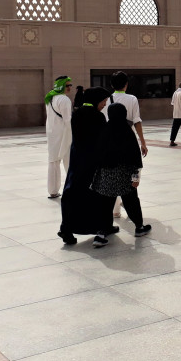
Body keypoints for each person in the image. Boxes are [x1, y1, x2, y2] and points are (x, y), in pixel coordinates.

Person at [58, 86, 111, 246]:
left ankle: (66, 228)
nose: (104, 105)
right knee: (94, 195)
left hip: (77, 158)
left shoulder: (77, 113)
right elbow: (101, 141)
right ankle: (99, 227)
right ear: (96, 100)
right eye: (103, 101)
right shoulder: (98, 117)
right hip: (92, 161)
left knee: (72, 192)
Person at [91, 103, 152, 241]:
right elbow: (135, 157)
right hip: (125, 175)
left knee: (105, 205)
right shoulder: (126, 131)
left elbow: (98, 153)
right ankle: (139, 227)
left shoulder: (105, 129)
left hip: (107, 175)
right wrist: (136, 178)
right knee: (132, 202)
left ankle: (101, 233)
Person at [106, 71, 148, 219]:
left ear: (112, 84)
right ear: (126, 84)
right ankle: (132, 209)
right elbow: (136, 120)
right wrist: (142, 142)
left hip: (111, 141)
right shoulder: (132, 99)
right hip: (128, 140)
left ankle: (115, 210)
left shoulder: (107, 99)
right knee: (132, 174)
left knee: (113, 173)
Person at [45, 76, 73, 199]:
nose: (70, 87)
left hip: (52, 133)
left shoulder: (49, 98)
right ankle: (72, 188)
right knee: (69, 163)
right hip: (64, 134)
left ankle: (53, 191)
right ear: (61, 86)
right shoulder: (64, 100)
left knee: (53, 162)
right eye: (67, 85)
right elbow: (68, 121)